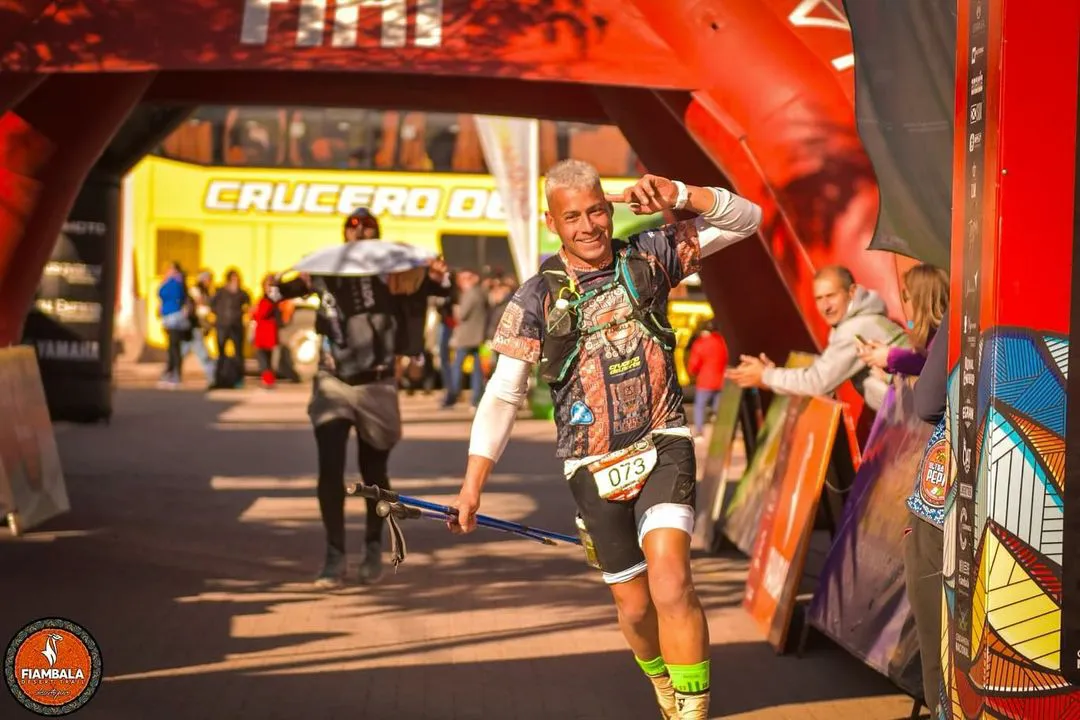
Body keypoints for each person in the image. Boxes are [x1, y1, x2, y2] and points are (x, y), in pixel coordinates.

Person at [448, 160, 762, 720]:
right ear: (552, 222)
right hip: (590, 463)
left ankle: (691, 712)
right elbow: (501, 395)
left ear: (609, 205)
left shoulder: (649, 255)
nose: (589, 225)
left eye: (597, 210)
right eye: (573, 217)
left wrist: (682, 193)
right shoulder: (533, 298)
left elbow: (748, 220)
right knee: (635, 606)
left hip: (663, 440)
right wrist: (473, 485)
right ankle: (661, 678)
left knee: (671, 580)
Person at [271, 207, 450, 587]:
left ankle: (371, 546)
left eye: (368, 227)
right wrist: (279, 282)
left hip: (378, 383)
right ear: (345, 234)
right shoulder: (325, 270)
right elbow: (278, 293)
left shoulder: (397, 273)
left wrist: (437, 274)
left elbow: (441, 289)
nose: (361, 232)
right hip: (333, 380)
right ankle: (334, 556)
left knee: (374, 473)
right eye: (354, 227)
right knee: (330, 469)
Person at [728, 265, 909, 411]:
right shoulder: (860, 322)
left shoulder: (856, 328)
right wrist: (775, 373)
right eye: (819, 299)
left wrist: (767, 376)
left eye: (831, 296)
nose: (825, 306)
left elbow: (818, 381)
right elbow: (824, 370)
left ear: (852, 292)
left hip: (917, 419)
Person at [855, 263, 949, 378]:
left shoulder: (944, 336)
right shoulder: (933, 334)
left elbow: (929, 367)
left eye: (906, 296)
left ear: (920, 300)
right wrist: (886, 356)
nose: (904, 302)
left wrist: (890, 356)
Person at [686, 320, 729, 438]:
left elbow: (694, 363)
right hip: (721, 380)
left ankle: (699, 432)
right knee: (718, 408)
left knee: (700, 406)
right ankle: (719, 432)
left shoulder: (701, 343)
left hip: (705, 381)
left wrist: (692, 373)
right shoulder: (722, 342)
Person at [211, 268, 252, 389]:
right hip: (222, 326)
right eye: (233, 279)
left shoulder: (242, 293)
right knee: (221, 354)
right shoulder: (220, 292)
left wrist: (243, 312)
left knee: (238, 354)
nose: (235, 281)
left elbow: (249, 305)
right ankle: (219, 379)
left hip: (236, 326)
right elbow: (212, 305)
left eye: (237, 279)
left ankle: (239, 379)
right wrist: (218, 315)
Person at [157, 262, 192, 389]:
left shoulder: (177, 283)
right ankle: (170, 372)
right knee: (172, 347)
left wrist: (168, 280)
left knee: (174, 347)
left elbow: (165, 293)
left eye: (171, 269)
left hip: (175, 318)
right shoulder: (170, 282)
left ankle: (175, 374)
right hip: (168, 317)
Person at [251, 273, 282, 390]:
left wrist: (254, 312)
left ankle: (268, 380)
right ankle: (269, 380)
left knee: (263, 357)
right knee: (266, 358)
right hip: (266, 331)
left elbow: (261, 314)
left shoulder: (269, 299)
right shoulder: (270, 298)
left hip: (265, 331)